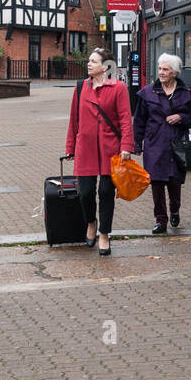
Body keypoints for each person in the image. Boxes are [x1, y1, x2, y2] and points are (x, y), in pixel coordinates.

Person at [64, 48, 134, 256]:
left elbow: (125, 120)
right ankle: (91, 222)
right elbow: (73, 120)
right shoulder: (80, 87)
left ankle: (104, 234)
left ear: (105, 67)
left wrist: (126, 147)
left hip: (109, 149)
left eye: (93, 61)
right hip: (85, 148)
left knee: (105, 192)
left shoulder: (118, 88)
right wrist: (70, 147)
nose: (89, 64)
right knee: (85, 193)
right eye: (89, 61)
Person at [132, 53, 191, 234]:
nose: (161, 72)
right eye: (160, 68)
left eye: (165, 69)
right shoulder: (148, 93)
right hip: (155, 143)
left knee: (175, 182)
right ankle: (160, 220)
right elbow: (139, 121)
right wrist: (137, 144)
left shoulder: (187, 92)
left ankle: (175, 210)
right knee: (156, 183)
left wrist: (181, 117)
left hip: (177, 143)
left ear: (175, 72)